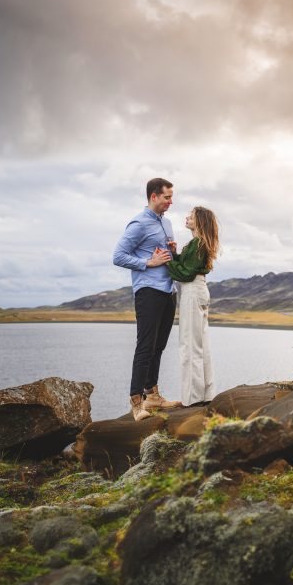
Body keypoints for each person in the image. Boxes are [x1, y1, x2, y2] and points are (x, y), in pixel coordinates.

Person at [112, 177, 183, 421]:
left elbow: (167, 257)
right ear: (154, 196)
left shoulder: (168, 223)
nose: (170, 202)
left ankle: (153, 396)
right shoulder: (139, 223)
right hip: (148, 291)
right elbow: (118, 256)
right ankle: (136, 402)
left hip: (168, 291)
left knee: (159, 346)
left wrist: (172, 252)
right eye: (167, 197)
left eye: (171, 197)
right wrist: (147, 262)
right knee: (145, 346)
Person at [166, 206, 220, 406]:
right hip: (199, 290)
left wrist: (166, 262)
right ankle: (206, 394)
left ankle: (192, 399)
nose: (187, 217)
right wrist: (175, 255)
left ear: (200, 221)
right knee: (201, 344)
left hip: (192, 291)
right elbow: (189, 266)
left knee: (189, 344)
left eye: (191, 216)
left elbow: (185, 273)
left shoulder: (197, 244)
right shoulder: (198, 243)